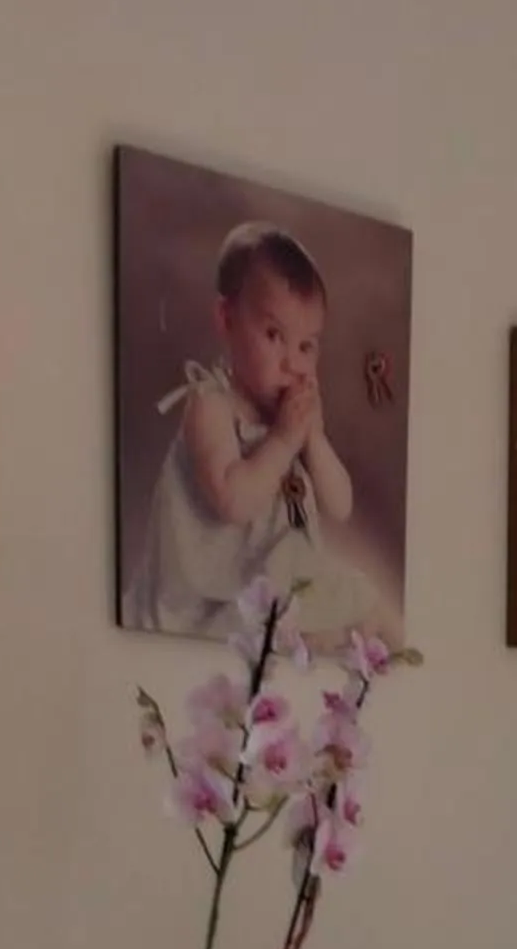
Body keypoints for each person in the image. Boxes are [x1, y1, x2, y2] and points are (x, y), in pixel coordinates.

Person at [128, 221, 361, 638]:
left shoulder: (291, 418)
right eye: (275, 335)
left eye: (306, 345)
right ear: (227, 318)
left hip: (274, 578)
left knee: (353, 598)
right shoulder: (210, 404)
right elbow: (233, 502)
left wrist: (314, 439)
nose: (293, 362)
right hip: (211, 593)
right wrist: (285, 439)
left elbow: (340, 505)